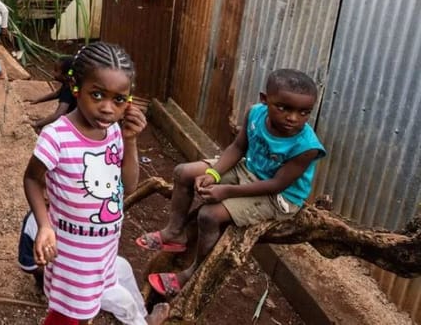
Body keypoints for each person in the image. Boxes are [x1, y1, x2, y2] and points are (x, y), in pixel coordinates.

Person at [136, 69, 326, 297]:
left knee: (208, 216)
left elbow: (277, 185)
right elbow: (237, 148)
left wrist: (226, 190)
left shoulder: (306, 146)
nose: (293, 118)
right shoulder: (255, 114)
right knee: (183, 172)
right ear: (264, 100)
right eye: (284, 108)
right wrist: (215, 175)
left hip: (278, 197)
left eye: (304, 112)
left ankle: (193, 274)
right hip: (249, 169)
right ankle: (175, 232)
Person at [23, 42, 166, 325]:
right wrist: (44, 225)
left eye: (118, 100)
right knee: (70, 313)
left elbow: (127, 185)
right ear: (75, 86)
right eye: (97, 94)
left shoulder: (114, 132)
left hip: (102, 249)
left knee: (81, 309)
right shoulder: (57, 136)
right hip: (72, 257)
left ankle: (139, 318)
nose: (107, 108)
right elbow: (31, 178)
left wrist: (131, 140)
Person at [18, 210, 170, 325]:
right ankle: (140, 322)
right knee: (123, 300)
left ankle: (143, 314)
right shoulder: (34, 222)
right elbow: (27, 264)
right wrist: (55, 276)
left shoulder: (73, 208)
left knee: (123, 266)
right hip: (69, 282)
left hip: (89, 265)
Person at [24, 56, 77, 131]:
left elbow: (59, 114)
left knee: (48, 128)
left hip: (73, 122)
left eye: (56, 70)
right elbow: (56, 94)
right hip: (72, 116)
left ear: (65, 76)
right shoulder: (68, 84)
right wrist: (37, 100)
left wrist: (36, 123)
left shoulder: (68, 92)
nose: (52, 72)